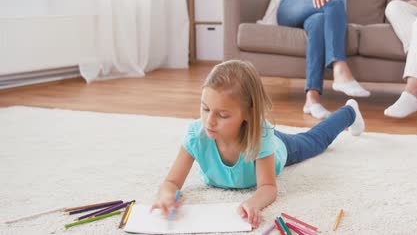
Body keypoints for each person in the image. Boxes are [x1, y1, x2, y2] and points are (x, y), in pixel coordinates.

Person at [151, 60, 365, 228]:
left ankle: (350, 112)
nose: (209, 121)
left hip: (280, 147)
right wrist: (167, 194)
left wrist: (253, 203)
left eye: (222, 115)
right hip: (257, 132)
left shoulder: (260, 136)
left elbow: (268, 187)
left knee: (314, 141)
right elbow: (171, 181)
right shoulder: (196, 135)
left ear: (247, 114)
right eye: (205, 109)